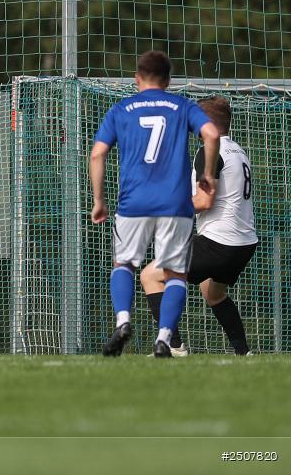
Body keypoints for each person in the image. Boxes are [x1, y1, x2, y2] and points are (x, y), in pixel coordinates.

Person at [90, 50, 220, 358]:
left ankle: (123, 321)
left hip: (133, 202)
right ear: (168, 80)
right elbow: (212, 134)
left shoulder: (121, 109)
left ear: (137, 78)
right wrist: (208, 175)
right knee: (175, 274)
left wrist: (99, 200)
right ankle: (164, 338)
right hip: (175, 204)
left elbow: (97, 154)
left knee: (124, 264)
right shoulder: (182, 105)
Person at [140, 96, 258, 356]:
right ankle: (244, 352)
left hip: (220, 242)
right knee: (212, 292)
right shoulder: (237, 150)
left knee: (151, 275)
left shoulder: (209, 150)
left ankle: (173, 346)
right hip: (244, 244)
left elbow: (204, 201)